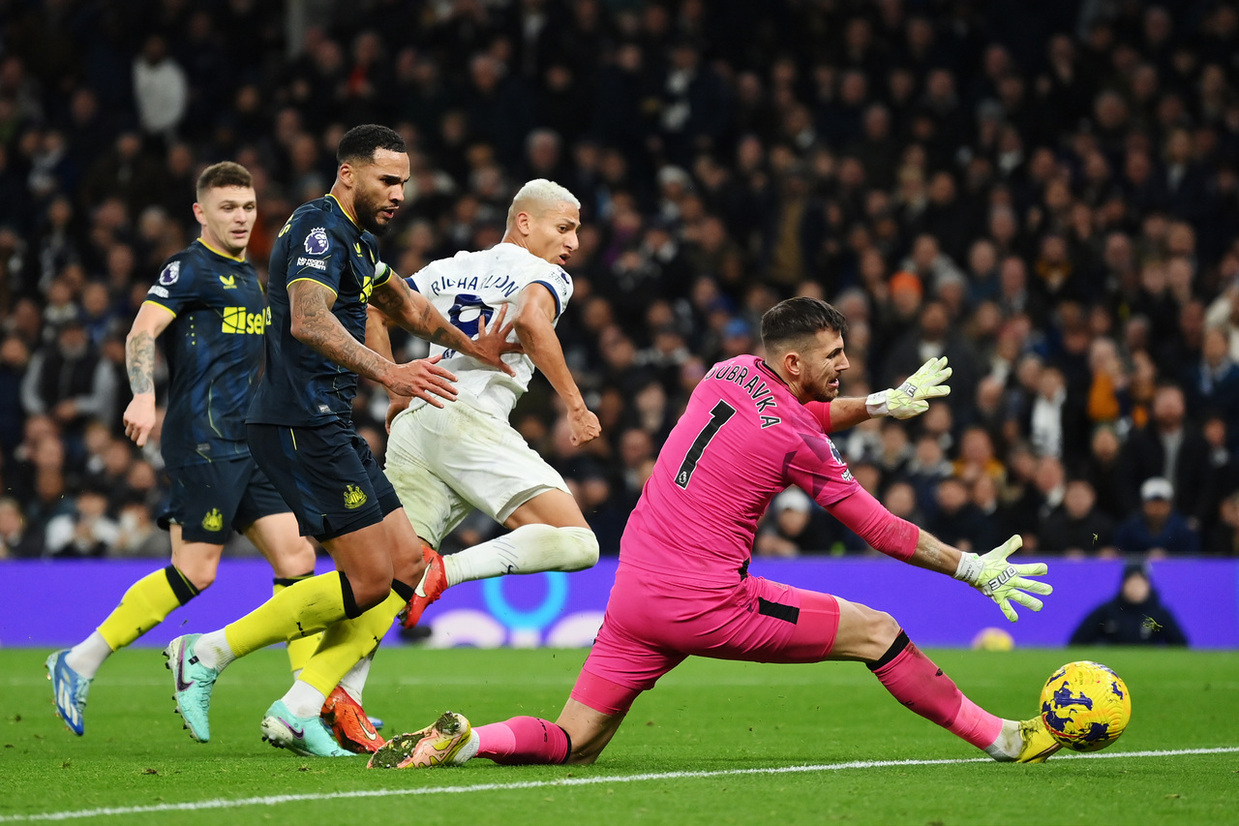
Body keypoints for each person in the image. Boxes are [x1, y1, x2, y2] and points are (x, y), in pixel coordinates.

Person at [369, 297, 1061, 771]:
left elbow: (800, 416)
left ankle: (468, 740)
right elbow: (878, 527)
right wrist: (969, 567)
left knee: (575, 742)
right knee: (877, 632)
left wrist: (878, 404)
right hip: (706, 604)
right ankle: (1003, 739)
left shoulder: (726, 374)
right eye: (833, 355)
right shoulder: (798, 442)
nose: (845, 365)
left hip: (635, 597)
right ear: (794, 365)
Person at [162, 124, 518, 756]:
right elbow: (308, 319)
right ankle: (208, 652)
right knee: (371, 579)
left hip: (329, 423)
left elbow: (411, 309)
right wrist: (390, 372)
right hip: (297, 422)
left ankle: (300, 707)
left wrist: (475, 349)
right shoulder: (317, 231)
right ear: (348, 174)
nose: (399, 193)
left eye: (405, 182)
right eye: (388, 180)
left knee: (408, 564)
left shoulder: (358, 243)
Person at [282, 178, 605, 758]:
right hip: (468, 418)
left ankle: (310, 701)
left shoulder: (448, 268)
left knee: (388, 577)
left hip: (417, 417)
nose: (573, 243)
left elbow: (375, 308)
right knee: (578, 541)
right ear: (524, 223)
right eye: (564, 228)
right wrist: (576, 406)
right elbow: (533, 323)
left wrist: (393, 386)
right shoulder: (546, 276)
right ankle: (446, 573)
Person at [44, 162, 320, 737]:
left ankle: (307, 706)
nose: (240, 218)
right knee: (195, 571)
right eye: (227, 208)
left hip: (250, 440)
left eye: (247, 207)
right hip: (203, 437)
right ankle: (80, 659)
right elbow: (141, 332)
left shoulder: (249, 277)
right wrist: (144, 395)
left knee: (297, 559)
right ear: (200, 212)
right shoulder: (189, 268)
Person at [1069, 562, 1188, 645]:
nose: (1136, 587)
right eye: (1132, 582)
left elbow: (1181, 647)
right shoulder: (1107, 612)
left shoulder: (1159, 614)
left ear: (1148, 586)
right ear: (1123, 585)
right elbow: (1077, 643)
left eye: (1140, 583)